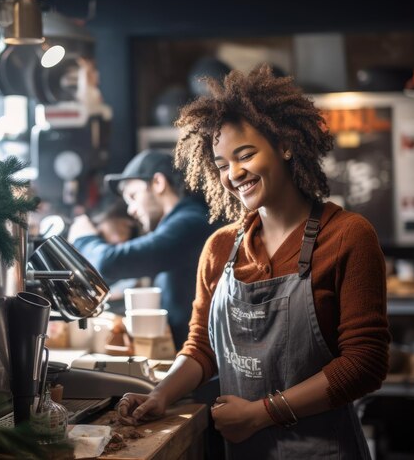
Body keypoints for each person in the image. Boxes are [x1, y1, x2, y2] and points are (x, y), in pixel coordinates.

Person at [115, 64, 390, 459]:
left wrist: (262, 414)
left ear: (285, 145)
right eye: (222, 164)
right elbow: (202, 348)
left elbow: (365, 363)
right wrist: (159, 395)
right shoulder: (220, 247)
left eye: (245, 155)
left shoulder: (348, 235)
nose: (233, 174)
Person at [67, 149, 218, 350]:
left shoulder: (190, 222)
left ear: (158, 183)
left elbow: (110, 263)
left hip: (204, 364)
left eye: (133, 195)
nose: (131, 209)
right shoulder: (183, 221)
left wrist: (84, 237)